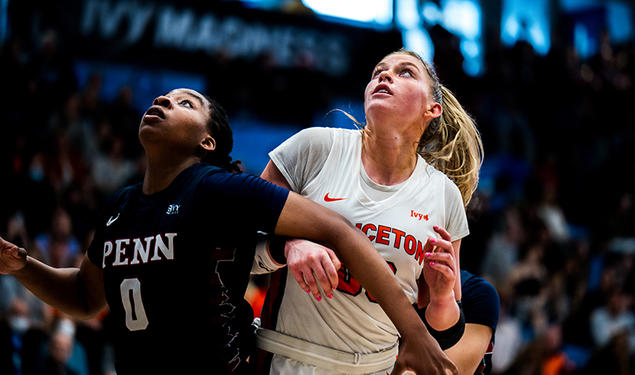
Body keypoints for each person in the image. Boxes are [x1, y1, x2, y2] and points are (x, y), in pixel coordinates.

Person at [1, 88, 457, 375]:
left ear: (207, 141)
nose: (162, 101)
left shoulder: (219, 189)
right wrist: (20, 265)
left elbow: (342, 231)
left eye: (185, 103)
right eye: (163, 98)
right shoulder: (120, 206)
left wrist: (415, 335)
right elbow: (85, 297)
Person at [251, 49, 483, 374]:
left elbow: (444, 330)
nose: (384, 75)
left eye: (405, 72)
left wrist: (443, 296)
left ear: (433, 109)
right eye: (378, 71)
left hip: (376, 367)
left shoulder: (443, 195)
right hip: (286, 358)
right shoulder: (313, 148)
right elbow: (237, 252)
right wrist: (289, 244)